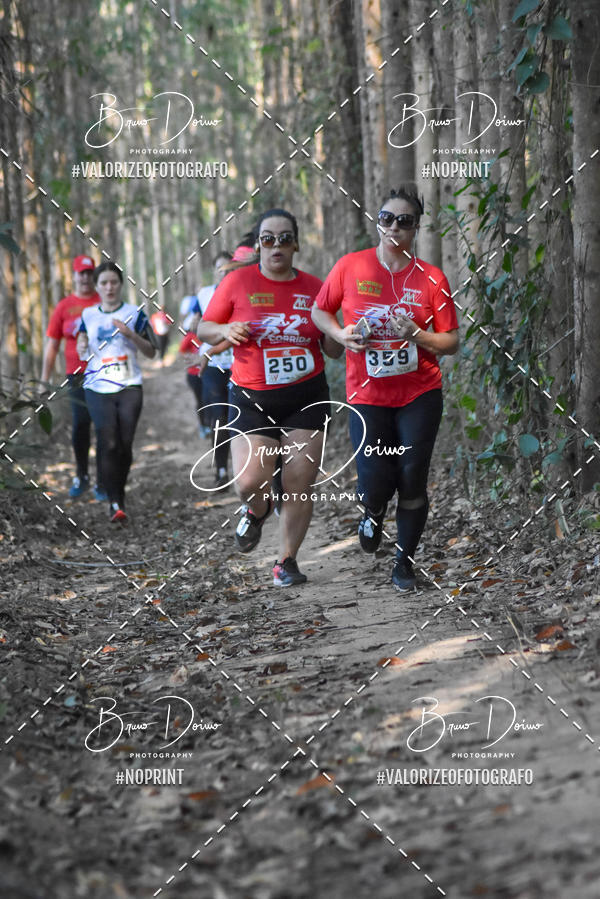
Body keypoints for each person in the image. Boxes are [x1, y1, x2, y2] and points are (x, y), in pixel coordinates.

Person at [312, 184, 459, 592]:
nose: (395, 226)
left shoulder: (431, 278)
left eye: (405, 221)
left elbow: (451, 341)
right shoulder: (351, 267)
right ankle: (372, 510)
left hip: (419, 393)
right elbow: (319, 310)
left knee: (412, 475)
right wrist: (340, 335)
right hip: (367, 396)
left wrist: (419, 336)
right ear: (377, 222)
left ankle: (404, 563)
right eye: (387, 218)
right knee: (375, 478)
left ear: (416, 228)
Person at [196, 208, 343, 587]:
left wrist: (337, 331)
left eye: (283, 238)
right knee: (248, 482)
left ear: (295, 244)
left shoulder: (316, 287)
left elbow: (333, 351)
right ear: (258, 244)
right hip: (251, 396)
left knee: (299, 480)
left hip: (306, 396)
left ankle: (286, 561)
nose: (275, 245)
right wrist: (227, 328)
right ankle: (257, 511)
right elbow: (205, 329)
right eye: (267, 238)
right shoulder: (236, 283)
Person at [76, 262, 157, 522]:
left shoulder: (135, 313)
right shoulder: (88, 314)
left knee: (124, 444)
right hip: (97, 387)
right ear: (96, 287)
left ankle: (118, 493)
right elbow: (81, 341)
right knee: (108, 441)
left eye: (114, 282)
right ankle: (115, 503)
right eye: (104, 283)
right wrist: (81, 347)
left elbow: (151, 351)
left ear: (121, 285)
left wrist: (130, 335)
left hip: (129, 384)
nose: (109, 287)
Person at [41, 255, 107, 500]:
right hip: (76, 375)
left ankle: (103, 481)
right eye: (81, 273)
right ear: (74, 276)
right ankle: (82, 475)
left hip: (103, 373)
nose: (85, 278)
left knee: (102, 426)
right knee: (81, 424)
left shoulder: (103, 301)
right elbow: (52, 344)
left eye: (89, 273)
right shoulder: (64, 306)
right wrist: (44, 379)